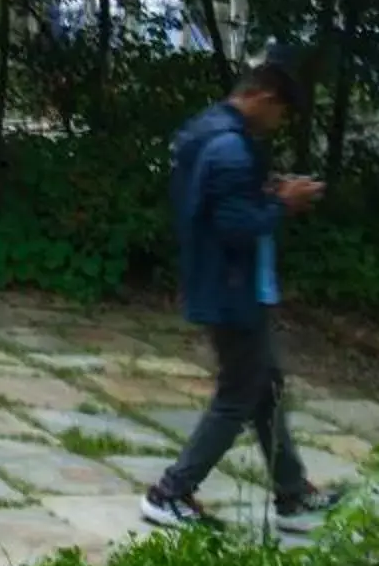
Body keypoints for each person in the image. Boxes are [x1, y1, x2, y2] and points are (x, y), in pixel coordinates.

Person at [142, 52, 344, 535]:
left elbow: (219, 203)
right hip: (233, 288)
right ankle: (170, 492)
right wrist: (284, 204)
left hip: (221, 282)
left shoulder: (206, 131)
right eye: (280, 113)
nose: (278, 124)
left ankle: (293, 495)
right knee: (238, 394)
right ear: (263, 98)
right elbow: (236, 227)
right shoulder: (231, 149)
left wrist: (268, 191)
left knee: (266, 387)